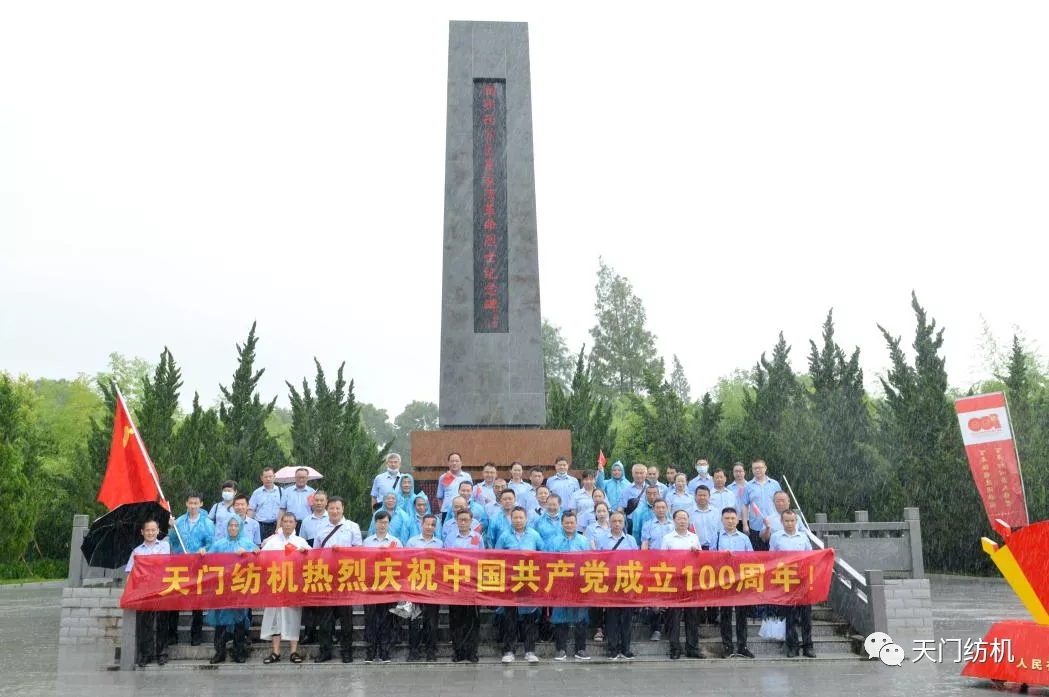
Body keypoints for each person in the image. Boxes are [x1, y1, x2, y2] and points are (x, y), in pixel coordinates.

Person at [313, 496, 363, 663]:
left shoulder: (352, 527)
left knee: (346, 617)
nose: (334, 511)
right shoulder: (320, 528)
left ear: (343, 509)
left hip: (345, 577)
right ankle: (325, 651)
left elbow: (359, 551)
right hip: (326, 577)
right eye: (332, 508)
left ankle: (347, 651)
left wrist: (343, 551)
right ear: (327, 509)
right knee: (325, 618)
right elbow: (315, 553)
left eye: (337, 508)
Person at [259, 513, 310, 664]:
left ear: (295, 524)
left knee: (293, 616)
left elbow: (313, 559)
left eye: (290, 522)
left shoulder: (300, 541)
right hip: (276, 584)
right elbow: (261, 559)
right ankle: (275, 652)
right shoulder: (273, 541)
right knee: (275, 617)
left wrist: (305, 554)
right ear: (281, 523)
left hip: (293, 585)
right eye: (285, 521)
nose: (288, 524)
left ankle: (294, 651)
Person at [204, 517, 256, 664]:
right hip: (222, 588)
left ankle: (238, 651)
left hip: (240, 588)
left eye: (236, 525)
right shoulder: (218, 545)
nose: (233, 528)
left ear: (240, 527)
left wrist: (248, 554)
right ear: (227, 527)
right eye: (230, 525)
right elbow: (208, 560)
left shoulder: (247, 544)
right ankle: (219, 652)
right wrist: (202, 552)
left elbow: (258, 560)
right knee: (221, 621)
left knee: (239, 620)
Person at [494, 507, 543, 663]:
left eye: (521, 517)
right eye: (515, 517)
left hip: (530, 581)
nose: (518, 520)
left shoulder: (534, 535)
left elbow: (544, 555)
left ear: (526, 518)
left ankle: (530, 650)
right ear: (511, 519)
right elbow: (496, 557)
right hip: (510, 583)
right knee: (510, 617)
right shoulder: (504, 536)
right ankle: (509, 651)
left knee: (530, 617)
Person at [167, 491, 215, 647]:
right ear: (186, 504)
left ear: (201, 504)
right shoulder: (179, 521)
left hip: (198, 566)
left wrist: (204, 549)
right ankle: (172, 634)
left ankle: (196, 635)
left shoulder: (207, 523)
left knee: (197, 601)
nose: (193, 506)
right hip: (180, 566)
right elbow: (173, 542)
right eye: (190, 503)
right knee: (175, 600)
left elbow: (211, 543)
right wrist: (172, 528)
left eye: (196, 503)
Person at [770, 510, 816, 658]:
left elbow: (811, 556)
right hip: (786, 581)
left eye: (792, 521)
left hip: (802, 581)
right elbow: (771, 558)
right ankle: (792, 646)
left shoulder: (803, 537)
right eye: (786, 521)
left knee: (806, 615)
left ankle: (808, 646)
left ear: (796, 522)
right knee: (789, 615)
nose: (789, 524)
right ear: (781, 522)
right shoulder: (776, 537)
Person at [125, 519, 171, 667]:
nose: (150, 533)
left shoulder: (164, 546)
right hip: (144, 592)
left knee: (162, 622)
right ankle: (145, 654)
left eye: (153, 530)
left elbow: (164, 564)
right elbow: (130, 573)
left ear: (158, 531)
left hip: (161, 590)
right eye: (147, 530)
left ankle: (162, 653)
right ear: (142, 532)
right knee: (145, 624)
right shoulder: (136, 551)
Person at [548, 512, 593, 660]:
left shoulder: (583, 541)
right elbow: (548, 561)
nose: (569, 525)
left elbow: (589, 562)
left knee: (581, 616)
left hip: (579, 583)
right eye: (566, 522)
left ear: (576, 523)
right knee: (560, 616)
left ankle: (581, 649)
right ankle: (560, 649)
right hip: (560, 583)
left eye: (572, 522)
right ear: (562, 523)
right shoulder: (554, 541)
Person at [661, 510, 705, 659]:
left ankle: (692, 648)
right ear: (673, 520)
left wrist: (696, 552)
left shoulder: (694, 537)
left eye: (685, 518)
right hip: (675, 581)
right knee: (674, 617)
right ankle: (675, 648)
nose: (682, 521)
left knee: (692, 616)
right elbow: (662, 560)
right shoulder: (667, 538)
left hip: (691, 581)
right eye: (679, 518)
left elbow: (701, 560)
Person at [596, 511, 638, 660]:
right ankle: (613, 648)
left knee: (627, 618)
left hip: (627, 582)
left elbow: (637, 560)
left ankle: (626, 649)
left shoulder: (631, 540)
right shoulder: (602, 539)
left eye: (620, 521)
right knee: (612, 617)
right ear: (610, 522)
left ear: (624, 523)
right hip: (610, 583)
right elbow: (598, 560)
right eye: (614, 521)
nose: (617, 524)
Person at [714, 507, 754, 658]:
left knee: (741, 615)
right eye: (727, 518)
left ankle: (742, 646)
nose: (730, 521)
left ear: (738, 520)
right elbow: (709, 557)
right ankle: (727, 646)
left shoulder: (744, 538)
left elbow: (752, 558)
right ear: (722, 520)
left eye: (732, 518)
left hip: (741, 580)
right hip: (723, 581)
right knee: (725, 615)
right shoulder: (717, 536)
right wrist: (721, 555)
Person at [445, 509, 484, 662]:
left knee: (473, 620)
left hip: (472, 584)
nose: (463, 523)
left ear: (471, 521)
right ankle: (458, 651)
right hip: (455, 583)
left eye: (466, 520)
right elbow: (445, 559)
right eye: (460, 520)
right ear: (456, 520)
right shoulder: (450, 537)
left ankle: (472, 651)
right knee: (456, 619)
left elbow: (483, 558)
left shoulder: (477, 538)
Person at [362, 511, 401, 663]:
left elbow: (402, 562)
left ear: (389, 524)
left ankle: (385, 652)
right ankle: (370, 652)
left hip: (388, 586)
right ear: (375, 523)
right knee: (370, 619)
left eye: (385, 522)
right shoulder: (367, 542)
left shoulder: (396, 542)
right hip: (371, 586)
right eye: (380, 522)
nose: (382, 525)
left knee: (386, 620)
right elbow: (362, 562)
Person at [406, 514, 443, 662]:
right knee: (413, 620)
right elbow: (405, 563)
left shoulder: (440, 544)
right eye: (427, 524)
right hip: (414, 587)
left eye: (432, 525)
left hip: (432, 588)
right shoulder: (412, 542)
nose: (429, 527)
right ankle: (413, 650)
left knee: (431, 621)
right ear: (422, 524)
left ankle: (430, 650)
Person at [744, 459, 782, 552]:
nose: (757, 470)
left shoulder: (775, 484)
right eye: (755, 468)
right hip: (755, 526)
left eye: (759, 467)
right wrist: (745, 524)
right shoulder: (748, 486)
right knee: (757, 555)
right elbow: (745, 505)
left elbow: (781, 502)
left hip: (773, 526)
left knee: (774, 555)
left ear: (765, 468)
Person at [437, 452, 473, 523]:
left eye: (457, 461)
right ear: (448, 463)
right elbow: (439, 497)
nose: (454, 463)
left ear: (461, 463)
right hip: (447, 511)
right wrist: (442, 510)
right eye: (452, 461)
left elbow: (471, 494)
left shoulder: (467, 476)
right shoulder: (443, 477)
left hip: (464, 511)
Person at [249, 467, 284, 540]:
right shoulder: (256, 493)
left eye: (270, 476)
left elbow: (284, 510)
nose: (268, 479)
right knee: (260, 546)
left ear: (274, 477)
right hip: (260, 526)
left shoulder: (282, 491)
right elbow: (251, 510)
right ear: (261, 478)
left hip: (276, 526)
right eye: (266, 477)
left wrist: (279, 527)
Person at [280, 467, 315, 532]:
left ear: (307, 478)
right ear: (295, 478)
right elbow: (282, 510)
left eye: (303, 477)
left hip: (306, 524)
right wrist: (278, 527)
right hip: (290, 524)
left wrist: (312, 503)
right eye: (299, 477)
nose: (301, 479)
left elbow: (314, 510)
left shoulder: (312, 492)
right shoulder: (287, 491)